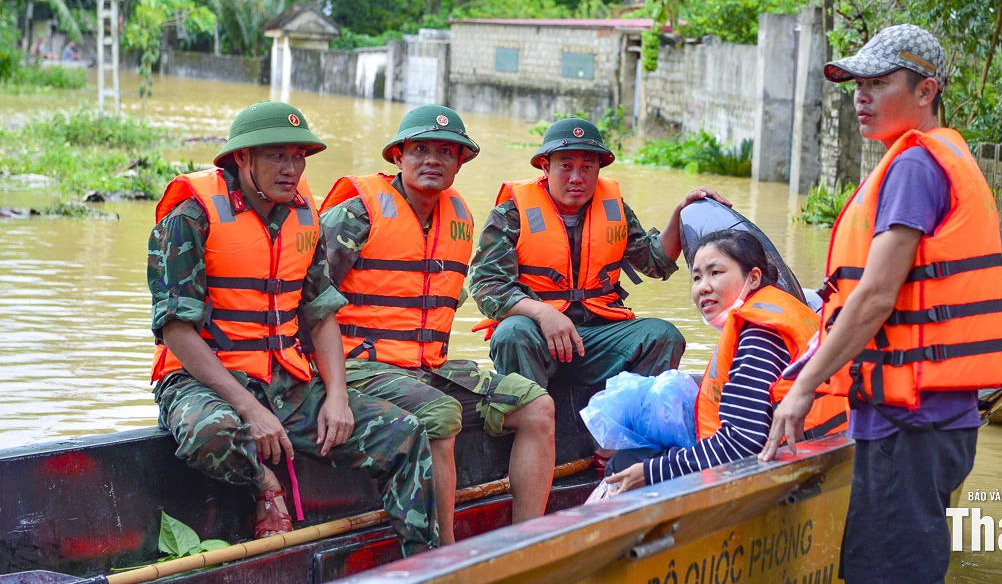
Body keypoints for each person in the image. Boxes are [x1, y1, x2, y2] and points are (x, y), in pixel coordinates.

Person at [759, 25, 1002, 583]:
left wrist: (801, 389)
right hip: (922, 418)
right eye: (857, 84)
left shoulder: (915, 167)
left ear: (927, 91)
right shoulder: (928, 160)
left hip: (911, 422)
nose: (862, 97)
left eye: (878, 82)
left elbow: (874, 298)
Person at [149, 100, 438, 555]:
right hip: (201, 383)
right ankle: (265, 482)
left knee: (404, 432)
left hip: (286, 381)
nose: (292, 168)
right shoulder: (190, 216)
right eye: (277, 155)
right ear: (242, 158)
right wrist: (249, 409)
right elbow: (176, 332)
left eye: (298, 156)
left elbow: (321, 314)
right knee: (211, 434)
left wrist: (338, 398)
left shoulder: (305, 212)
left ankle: (423, 563)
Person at [319, 105, 555, 544]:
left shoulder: (460, 218)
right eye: (421, 149)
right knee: (440, 413)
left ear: (460, 161)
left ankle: (527, 544)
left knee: (537, 406)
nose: (434, 159)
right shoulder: (356, 213)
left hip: (427, 367)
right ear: (398, 156)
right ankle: (447, 558)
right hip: (358, 367)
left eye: (447, 151)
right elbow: (306, 300)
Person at [470, 117, 720, 392]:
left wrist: (681, 212)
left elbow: (653, 262)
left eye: (587, 167)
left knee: (663, 336)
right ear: (545, 166)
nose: (577, 177)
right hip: (538, 336)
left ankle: (626, 422)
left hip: (598, 337)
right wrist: (542, 313)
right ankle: (529, 417)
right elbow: (487, 287)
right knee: (511, 333)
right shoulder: (511, 214)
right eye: (566, 166)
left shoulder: (614, 208)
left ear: (598, 169)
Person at [604, 229, 847, 493]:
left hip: (786, 478)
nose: (703, 287)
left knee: (624, 464)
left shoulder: (760, 334)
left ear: (753, 278)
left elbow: (742, 443)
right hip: (818, 458)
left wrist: (652, 472)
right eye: (696, 277)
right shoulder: (788, 309)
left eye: (715, 273)